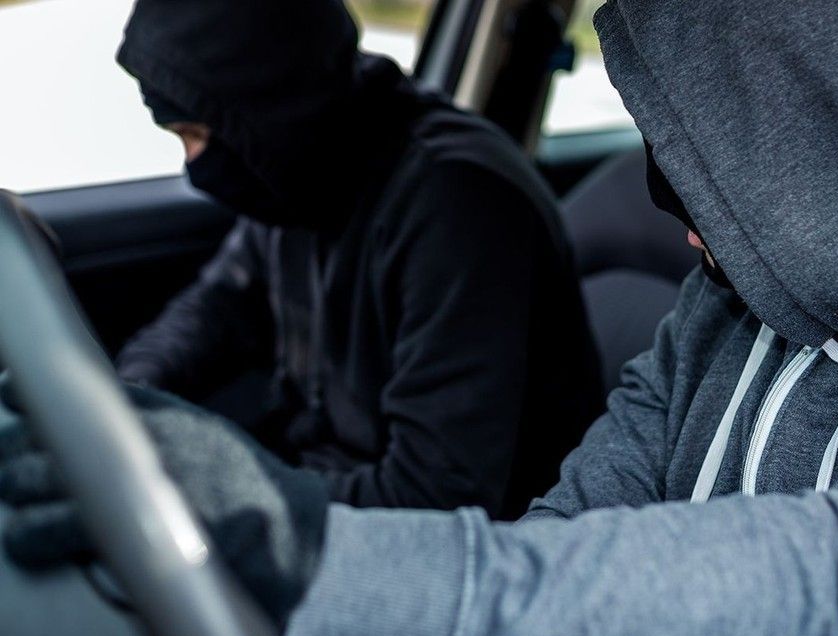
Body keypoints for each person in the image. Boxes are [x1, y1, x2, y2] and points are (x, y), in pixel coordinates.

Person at [4, 0, 838, 636]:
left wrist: (317, 552)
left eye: (714, 166)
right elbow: (573, 538)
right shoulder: (717, 319)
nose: (677, 208)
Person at [107, 0, 603, 522]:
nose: (193, 162)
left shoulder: (459, 205)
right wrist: (131, 399)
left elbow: (435, 494)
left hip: (458, 549)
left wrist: (231, 497)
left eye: (198, 134)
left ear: (263, 107)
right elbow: (221, 303)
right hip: (328, 490)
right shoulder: (296, 170)